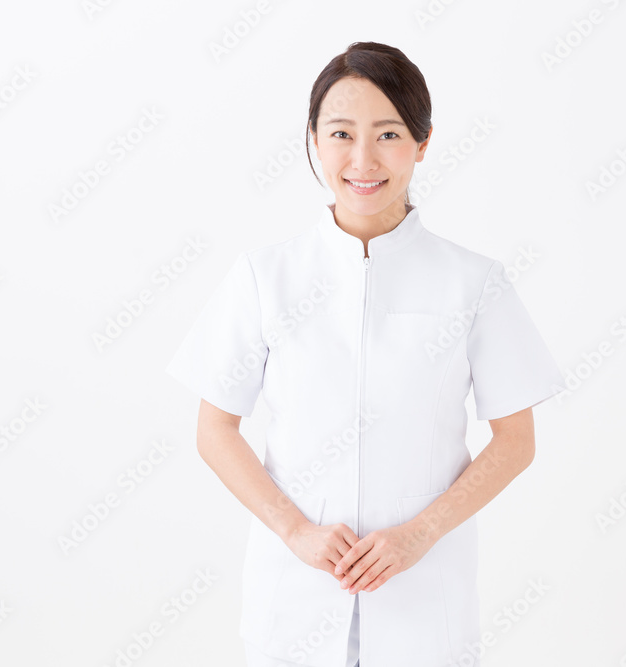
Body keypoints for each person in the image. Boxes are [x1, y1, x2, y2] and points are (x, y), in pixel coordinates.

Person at [165, 41, 566, 667]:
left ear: (423, 143)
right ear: (314, 141)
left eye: (388, 134)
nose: (362, 159)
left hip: (424, 601)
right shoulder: (265, 278)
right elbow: (215, 429)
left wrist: (420, 534)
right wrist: (295, 531)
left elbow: (516, 440)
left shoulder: (472, 282)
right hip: (294, 596)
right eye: (341, 133)